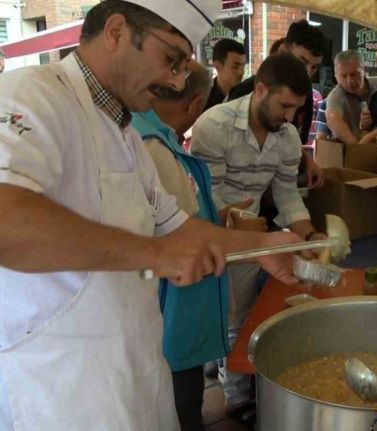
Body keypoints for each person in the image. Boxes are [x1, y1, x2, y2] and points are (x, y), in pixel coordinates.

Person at [0, 1, 303, 430]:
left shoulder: (124, 132)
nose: (176, 80)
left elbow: (179, 228)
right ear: (117, 31)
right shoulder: (30, 95)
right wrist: (154, 254)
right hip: (59, 384)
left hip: (135, 364)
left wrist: (262, 246)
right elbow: (7, 223)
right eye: (171, 60)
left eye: (184, 65)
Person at [191, 53, 326, 423]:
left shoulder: (288, 137)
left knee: (241, 315)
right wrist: (243, 225)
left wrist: (308, 234)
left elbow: (286, 194)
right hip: (214, 233)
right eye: (284, 106)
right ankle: (215, 366)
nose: (288, 116)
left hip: (253, 238)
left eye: (296, 109)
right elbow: (208, 195)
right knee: (214, 310)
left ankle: (236, 399)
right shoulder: (213, 125)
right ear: (261, 89)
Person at [131, 61, 224, 431]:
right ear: (195, 102)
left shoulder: (157, 137)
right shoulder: (152, 146)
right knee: (181, 404)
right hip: (171, 310)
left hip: (168, 308)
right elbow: (183, 233)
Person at [228, 19, 327, 189]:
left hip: (281, 188)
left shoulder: (307, 97)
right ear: (283, 51)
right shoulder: (243, 91)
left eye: (314, 67)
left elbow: (293, 142)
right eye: (303, 62)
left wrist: (306, 160)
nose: (308, 72)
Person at [325, 50, 377, 144]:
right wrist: (356, 147)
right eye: (343, 76)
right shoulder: (335, 96)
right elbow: (333, 119)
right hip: (354, 148)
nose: (350, 81)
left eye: (354, 74)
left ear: (363, 70)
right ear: (336, 77)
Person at [204, 38, 246, 111]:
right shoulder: (204, 99)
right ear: (218, 66)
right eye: (235, 67)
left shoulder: (246, 95)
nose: (241, 72)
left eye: (243, 66)